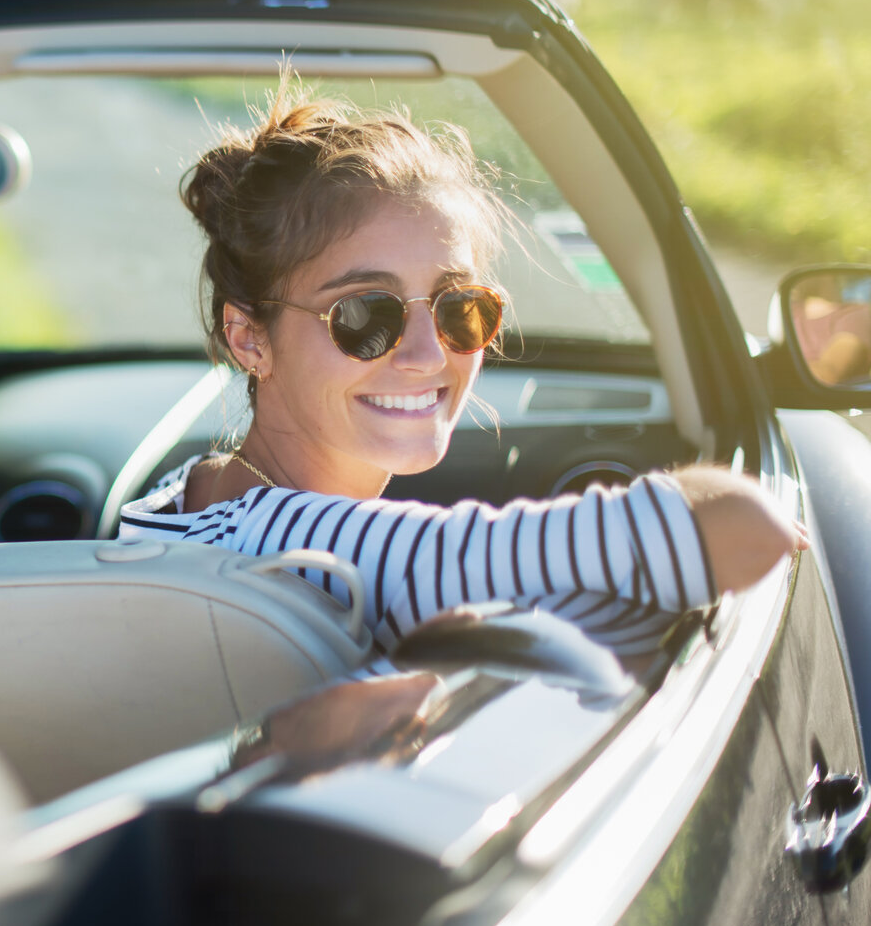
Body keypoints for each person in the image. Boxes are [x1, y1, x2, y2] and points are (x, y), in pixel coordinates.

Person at [119, 91, 804, 671]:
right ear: (249, 338)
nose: (425, 354)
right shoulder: (338, 558)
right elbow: (745, 527)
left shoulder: (182, 498)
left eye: (461, 308)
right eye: (364, 314)